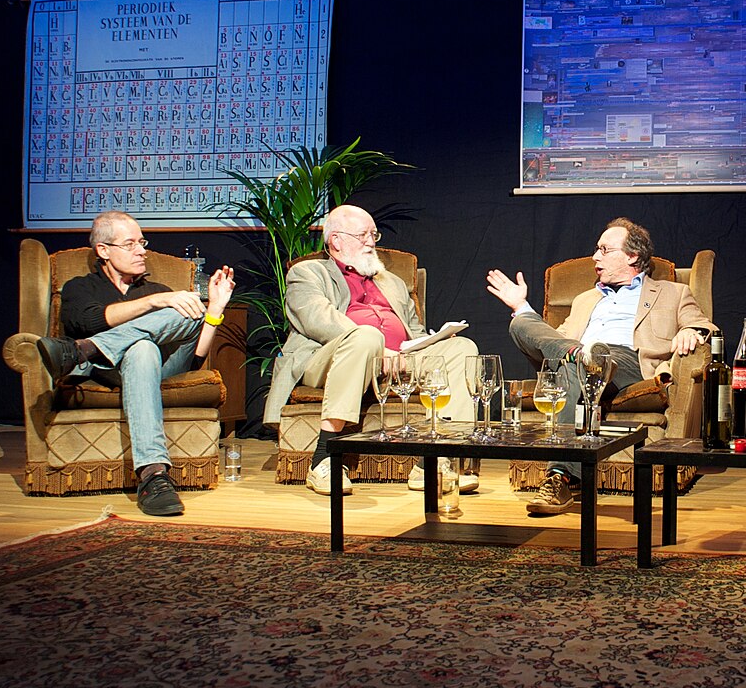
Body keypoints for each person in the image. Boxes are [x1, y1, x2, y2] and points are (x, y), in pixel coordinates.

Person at [485, 218, 713, 516]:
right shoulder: (584, 300)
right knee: (524, 325)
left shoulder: (672, 292)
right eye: (597, 249)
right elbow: (555, 340)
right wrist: (522, 308)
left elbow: (704, 325)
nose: (596, 257)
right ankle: (579, 357)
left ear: (632, 256)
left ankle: (560, 475)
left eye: (605, 250)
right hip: (577, 363)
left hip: (627, 364)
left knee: (584, 356)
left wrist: (690, 331)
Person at [262, 204, 484, 496]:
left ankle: (433, 461)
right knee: (365, 336)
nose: (371, 241)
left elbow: (414, 331)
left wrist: (427, 343)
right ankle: (324, 460)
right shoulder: (308, 273)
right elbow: (318, 321)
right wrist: (379, 347)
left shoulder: (392, 282)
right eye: (362, 234)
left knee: (460, 348)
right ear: (336, 240)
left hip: (396, 360)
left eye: (373, 234)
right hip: (328, 358)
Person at [37, 211, 235, 518]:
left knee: (189, 313)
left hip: (159, 368)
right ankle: (154, 476)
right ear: (103, 250)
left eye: (141, 242)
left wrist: (216, 309)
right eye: (129, 244)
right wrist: (153, 305)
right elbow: (87, 319)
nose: (141, 250)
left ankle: (80, 351)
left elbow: (194, 358)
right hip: (108, 371)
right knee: (142, 347)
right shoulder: (81, 287)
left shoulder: (160, 291)